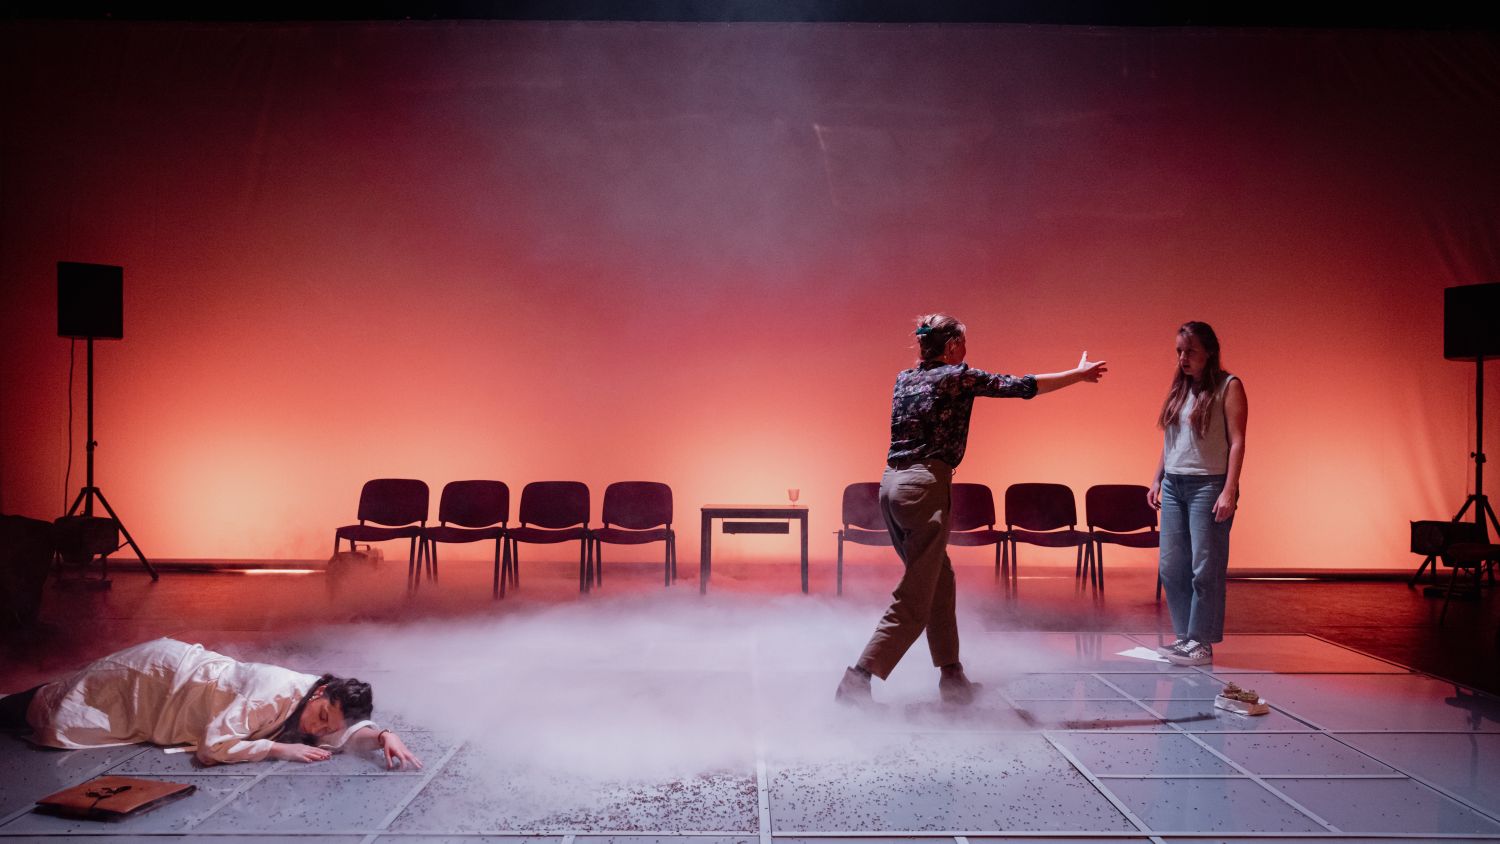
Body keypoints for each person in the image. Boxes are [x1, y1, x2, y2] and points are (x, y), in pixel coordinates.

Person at [836, 314, 1107, 705]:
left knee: (939, 582)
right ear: (950, 347)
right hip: (923, 488)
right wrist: (1076, 375)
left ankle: (952, 678)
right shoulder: (956, 377)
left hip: (891, 486)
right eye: (963, 343)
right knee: (916, 595)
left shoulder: (904, 378)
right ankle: (858, 679)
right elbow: (1022, 386)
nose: (966, 350)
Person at [0, 637, 422, 768]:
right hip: (157, 678)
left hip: (173, 688)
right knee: (59, 709)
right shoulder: (272, 692)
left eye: (327, 726)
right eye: (322, 715)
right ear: (319, 692)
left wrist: (382, 735)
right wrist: (277, 749)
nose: (318, 729)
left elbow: (343, 733)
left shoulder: (316, 705)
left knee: (61, 700)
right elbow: (212, 747)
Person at [1148, 321, 1247, 666]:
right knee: (1171, 567)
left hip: (1209, 484)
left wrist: (1229, 490)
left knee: (1205, 568)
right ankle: (1184, 638)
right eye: (1179, 351)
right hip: (1174, 484)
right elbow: (1170, 440)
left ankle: (1200, 642)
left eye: (1190, 351)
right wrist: (1157, 479)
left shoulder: (1228, 386)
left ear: (1209, 351)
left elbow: (1237, 442)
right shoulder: (1180, 389)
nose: (1183, 358)